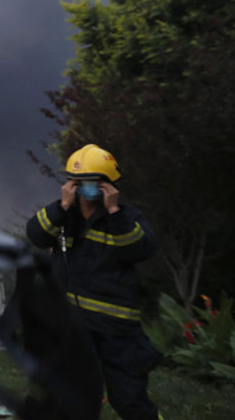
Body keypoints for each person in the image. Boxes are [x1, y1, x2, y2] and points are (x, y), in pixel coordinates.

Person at [25, 144, 161, 420]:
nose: (87, 189)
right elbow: (36, 235)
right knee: (72, 399)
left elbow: (140, 250)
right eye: (80, 182)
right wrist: (62, 206)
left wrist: (114, 213)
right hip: (74, 326)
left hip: (117, 330)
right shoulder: (64, 216)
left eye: (94, 182)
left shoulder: (127, 218)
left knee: (129, 400)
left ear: (108, 186)